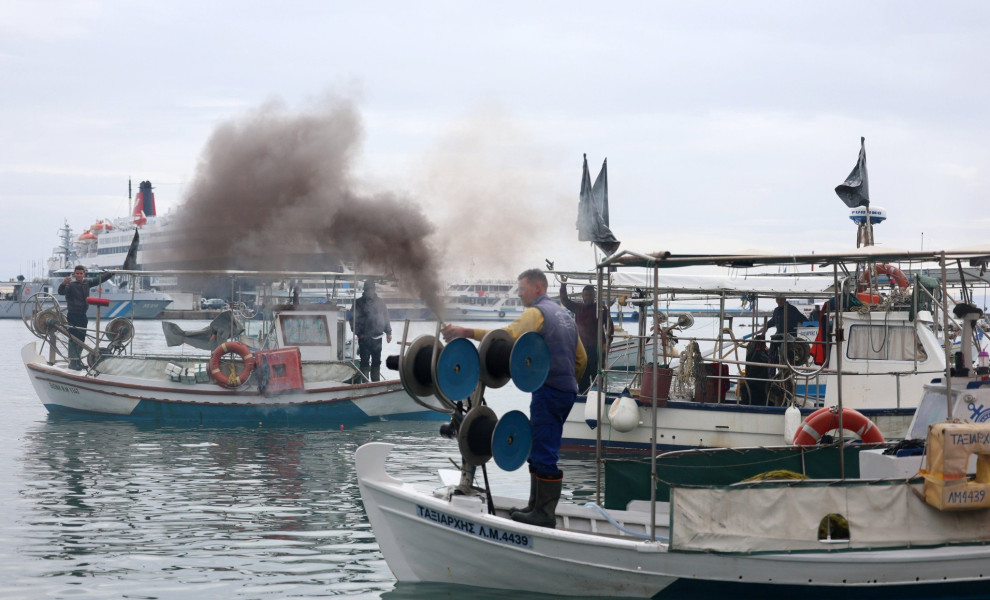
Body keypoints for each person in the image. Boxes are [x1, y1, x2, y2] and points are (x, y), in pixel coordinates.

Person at [443, 268, 586, 529]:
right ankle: (534, 507)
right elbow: (582, 359)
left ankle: (543, 514)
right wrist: (569, 383)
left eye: (522, 289)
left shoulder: (537, 313)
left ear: (538, 288)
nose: (519, 294)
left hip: (549, 389)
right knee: (541, 443)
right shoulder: (565, 316)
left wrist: (465, 332)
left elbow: (505, 338)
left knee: (544, 449)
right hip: (566, 390)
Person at [559, 279, 613, 393]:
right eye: (586, 295)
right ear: (583, 296)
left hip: (597, 350)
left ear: (594, 296)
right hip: (581, 349)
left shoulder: (601, 308)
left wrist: (607, 343)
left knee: (597, 377)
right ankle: (582, 397)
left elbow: (610, 328)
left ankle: (598, 398)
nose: (588, 297)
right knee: (582, 378)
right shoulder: (578, 308)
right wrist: (563, 284)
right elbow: (564, 300)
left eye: (590, 295)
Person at [57, 265, 114, 370]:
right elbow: (61, 291)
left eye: (81, 273)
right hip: (73, 315)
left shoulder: (86, 283)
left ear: (84, 274)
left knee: (81, 338)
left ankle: (77, 360)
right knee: (73, 338)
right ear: (74, 275)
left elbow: (99, 279)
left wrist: (112, 273)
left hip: (83, 315)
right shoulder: (70, 285)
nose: (79, 275)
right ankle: (72, 362)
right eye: (77, 273)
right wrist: (63, 283)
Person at [353, 279, 392, 381]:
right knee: (364, 361)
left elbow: (386, 317)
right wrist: (359, 333)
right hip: (364, 338)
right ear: (365, 290)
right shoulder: (358, 303)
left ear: (374, 290)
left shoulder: (380, 302)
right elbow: (352, 320)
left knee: (376, 361)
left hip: (377, 337)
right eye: (368, 290)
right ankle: (365, 383)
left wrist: (389, 332)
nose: (370, 291)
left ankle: (376, 383)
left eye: (371, 289)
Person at [758, 295, 806, 366]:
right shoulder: (776, 310)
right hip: (779, 335)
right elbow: (773, 321)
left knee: (785, 350)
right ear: (776, 300)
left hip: (790, 336)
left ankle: (788, 365)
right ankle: (773, 367)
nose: (779, 301)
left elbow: (803, 319)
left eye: (781, 300)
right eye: (778, 300)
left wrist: (809, 326)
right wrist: (765, 326)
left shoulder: (792, 309)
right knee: (773, 346)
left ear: (785, 299)